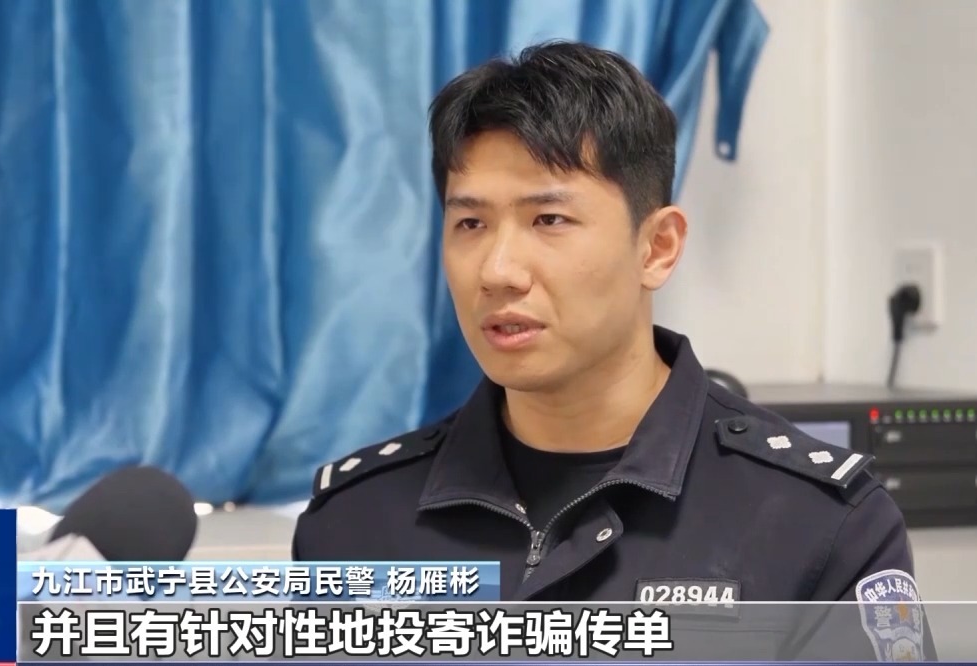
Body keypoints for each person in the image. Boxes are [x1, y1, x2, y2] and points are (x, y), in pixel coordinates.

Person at [292, 41, 935, 661]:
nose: (498, 270)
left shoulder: (818, 524)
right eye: (470, 223)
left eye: (548, 219)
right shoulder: (354, 523)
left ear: (657, 247)